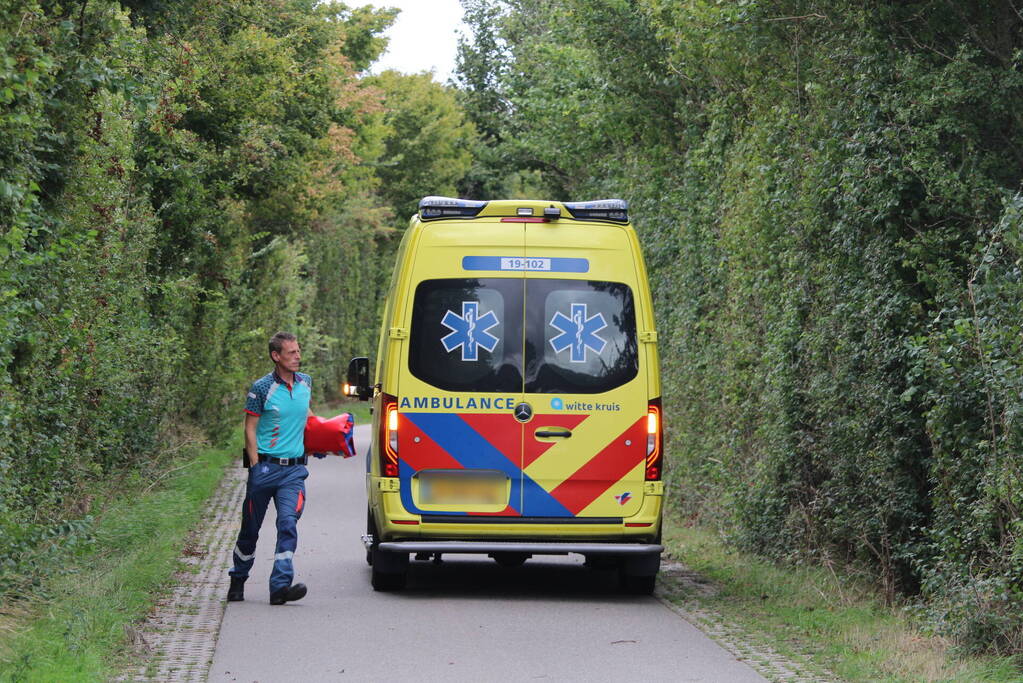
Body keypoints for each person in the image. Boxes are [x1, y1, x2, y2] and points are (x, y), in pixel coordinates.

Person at [227, 331, 312, 605]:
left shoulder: (306, 383)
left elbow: (308, 416)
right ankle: (238, 579)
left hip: (294, 472)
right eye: (291, 352)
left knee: (287, 523)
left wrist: (330, 435)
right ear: (276, 356)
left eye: (298, 351)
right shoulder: (261, 388)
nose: (297, 357)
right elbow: (249, 429)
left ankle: (280, 587)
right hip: (265, 468)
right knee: (250, 530)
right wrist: (255, 467)